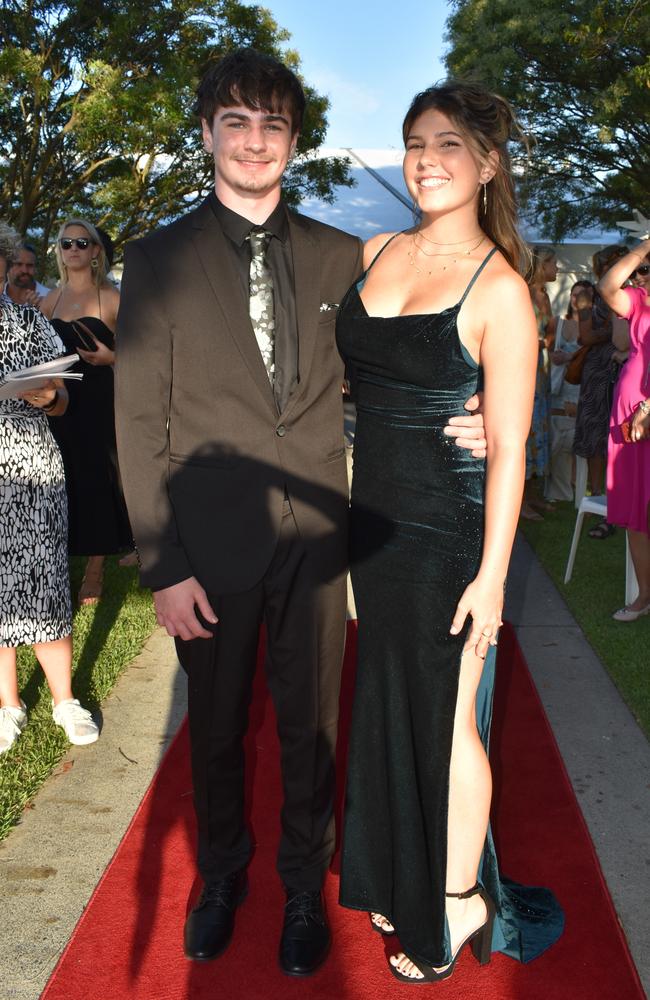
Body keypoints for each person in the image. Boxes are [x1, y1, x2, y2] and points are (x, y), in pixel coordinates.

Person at [113, 49, 488, 978]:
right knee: (215, 728)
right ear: (207, 134)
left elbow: (408, 346)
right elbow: (135, 424)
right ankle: (223, 877)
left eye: (272, 125)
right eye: (235, 122)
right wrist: (163, 566)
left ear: (293, 142)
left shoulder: (339, 253)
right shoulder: (157, 259)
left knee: (312, 728)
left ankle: (299, 891)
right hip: (208, 547)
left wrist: (478, 407)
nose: (253, 141)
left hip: (322, 543)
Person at [337, 81, 564, 983]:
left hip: (451, 529)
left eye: (448, 146)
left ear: (488, 163)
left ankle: (461, 895)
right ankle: (404, 868)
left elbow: (510, 449)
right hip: (373, 519)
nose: (426, 160)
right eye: (414, 143)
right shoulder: (374, 247)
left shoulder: (502, 290)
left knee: (453, 717)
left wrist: (493, 578)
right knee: (387, 702)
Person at [0, 222, 99, 754]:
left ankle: (63, 699)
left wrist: (47, 399)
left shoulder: (30, 323)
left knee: (42, 573)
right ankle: (7, 704)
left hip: (33, 462)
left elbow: (62, 397)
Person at [41, 219, 131, 604]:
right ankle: (59, 560)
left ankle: (94, 570)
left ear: (96, 251)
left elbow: (146, 354)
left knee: (96, 480)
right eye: (66, 243)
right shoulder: (49, 302)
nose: (73, 249)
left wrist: (113, 357)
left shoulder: (113, 298)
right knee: (62, 480)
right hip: (58, 405)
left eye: (82, 243)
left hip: (100, 402)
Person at [600, 239, 650, 620]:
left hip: (644, 411)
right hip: (628, 414)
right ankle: (644, 596)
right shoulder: (638, 301)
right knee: (637, 513)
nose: (642, 275)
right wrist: (643, 246)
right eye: (642, 269)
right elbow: (607, 286)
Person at [573, 245, 628, 538]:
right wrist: (620, 331)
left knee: (620, 439)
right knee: (596, 439)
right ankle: (600, 506)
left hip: (625, 370)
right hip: (597, 373)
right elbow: (585, 336)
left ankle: (621, 506)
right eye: (617, 263)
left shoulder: (632, 293)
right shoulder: (588, 295)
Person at [545, 280, 593, 502]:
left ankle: (579, 487)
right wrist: (557, 356)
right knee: (557, 442)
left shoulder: (593, 325)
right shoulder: (558, 323)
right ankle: (559, 492)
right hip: (559, 387)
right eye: (574, 294)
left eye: (583, 295)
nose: (577, 299)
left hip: (582, 388)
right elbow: (549, 348)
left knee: (576, 439)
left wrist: (570, 356)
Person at [520, 247, 556, 519]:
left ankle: (533, 496)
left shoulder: (545, 296)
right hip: (524, 372)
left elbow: (550, 334)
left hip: (541, 371)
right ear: (541, 266)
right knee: (527, 434)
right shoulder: (523, 293)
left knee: (540, 433)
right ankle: (519, 503)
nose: (556, 269)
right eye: (553, 264)